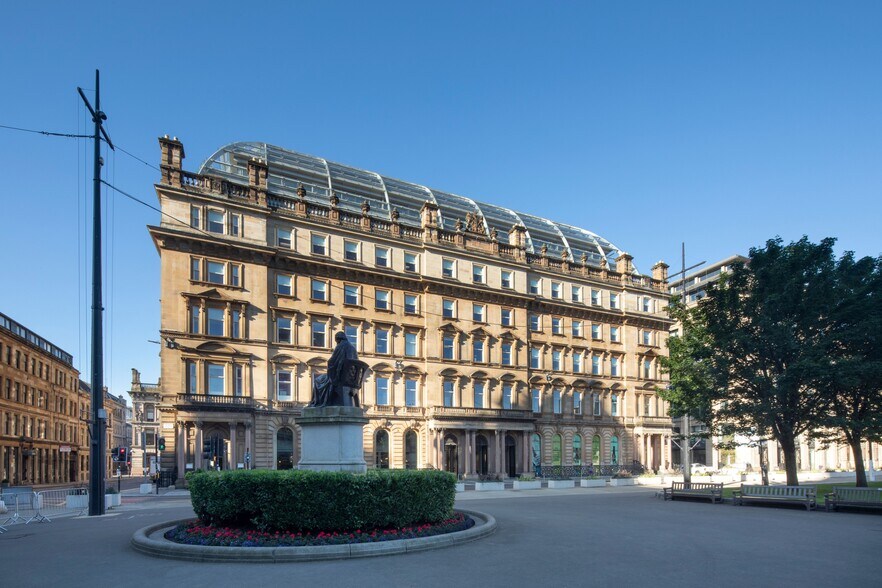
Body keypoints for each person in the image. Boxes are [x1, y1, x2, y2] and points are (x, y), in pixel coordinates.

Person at [310, 332, 360, 407]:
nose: (337, 342)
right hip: (351, 379)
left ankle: (317, 402)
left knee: (318, 381)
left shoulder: (340, 346)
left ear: (338, 339)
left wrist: (331, 367)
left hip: (340, 377)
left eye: (336, 341)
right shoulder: (353, 348)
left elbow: (332, 361)